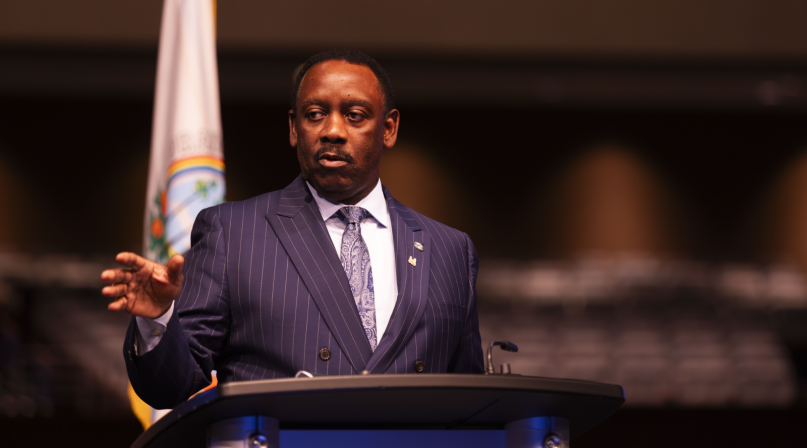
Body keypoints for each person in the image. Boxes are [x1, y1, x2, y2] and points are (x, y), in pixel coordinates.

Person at [101, 50, 484, 410]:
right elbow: (170, 387)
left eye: (354, 115)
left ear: (388, 128)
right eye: (315, 114)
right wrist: (158, 320)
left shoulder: (450, 249)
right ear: (293, 128)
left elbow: (470, 405)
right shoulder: (232, 234)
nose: (332, 130)